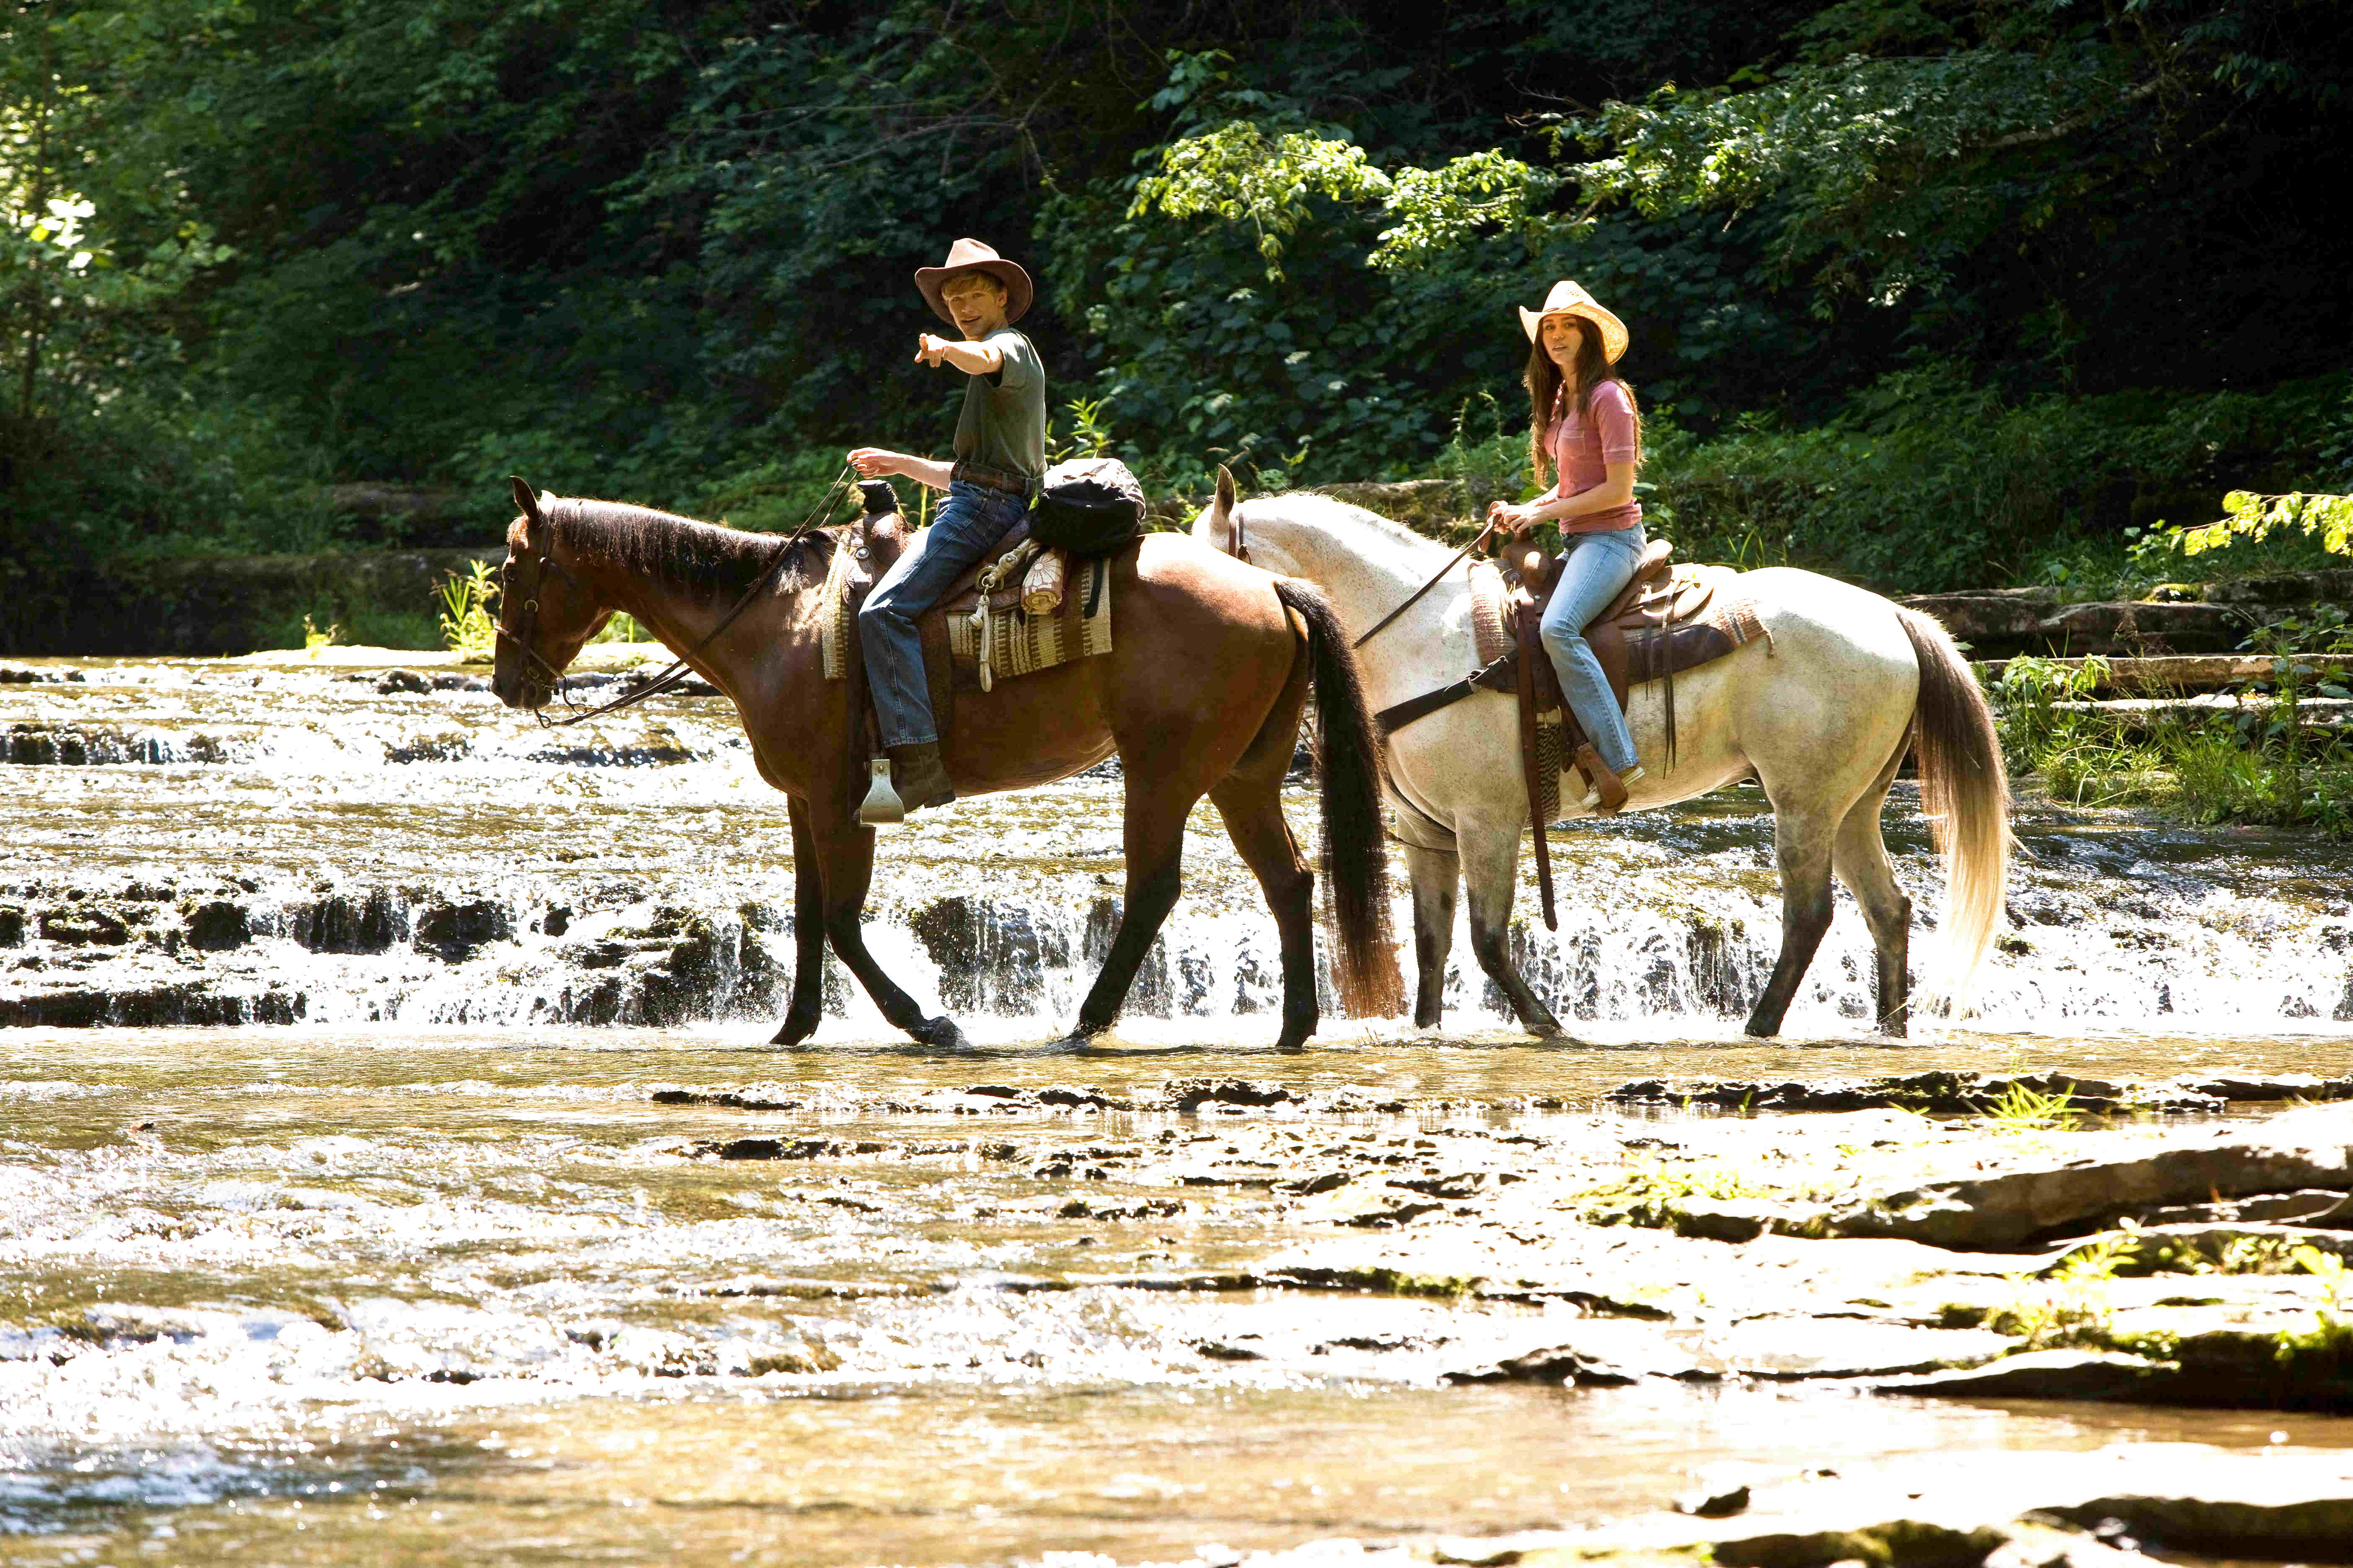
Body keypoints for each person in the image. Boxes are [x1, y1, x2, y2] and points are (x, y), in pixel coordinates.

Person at [847, 238, 1047, 822]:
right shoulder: (991, 354)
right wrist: (898, 462)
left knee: (882, 612)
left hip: (982, 509)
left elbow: (984, 360)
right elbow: (969, 474)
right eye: (954, 298)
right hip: (981, 497)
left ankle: (919, 762)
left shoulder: (1006, 346)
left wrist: (945, 347)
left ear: (1002, 296)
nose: (962, 305)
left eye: (974, 294)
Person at [1485, 280, 1648, 813]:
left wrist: (1541, 511)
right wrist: (1525, 508)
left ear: (1588, 335)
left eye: (1567, 326)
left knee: (1558, 628)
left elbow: (1617, 490)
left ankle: (1619, 758)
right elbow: (1574, 485)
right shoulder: (1561, 398)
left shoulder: (1609, 397)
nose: (1555, 336)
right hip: (1579, 540)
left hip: (1612, 540)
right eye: (1548, 328)